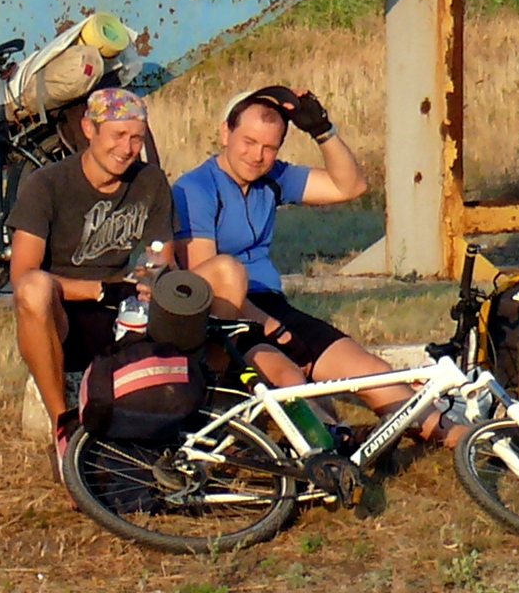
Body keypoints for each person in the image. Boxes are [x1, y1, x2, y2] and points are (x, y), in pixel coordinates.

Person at [168, 85, 416, 418]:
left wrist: (322, 131)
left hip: (271, 305)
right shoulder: (195, 188)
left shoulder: (272, 177)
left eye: (269, 148)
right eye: (249, 142)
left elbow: (350, 186)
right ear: (225, 133)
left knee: (376, 373)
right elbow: (209, 283)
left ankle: (458, 436)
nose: (257, 156)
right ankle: (331, 454)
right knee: (294, 383)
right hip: (228, 317)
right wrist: (275, 329)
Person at [9, 84, 175, 452]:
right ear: (89, 129)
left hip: (123, 310)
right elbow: (22, 275)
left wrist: (151, 275)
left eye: (136, 138)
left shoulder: (150, 182)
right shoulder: (47, 184)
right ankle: (63, 426)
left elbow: (162, 254)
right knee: (34, 289)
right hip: (63, 313)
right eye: (118, 135)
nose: (127, 149)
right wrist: (99, 288)